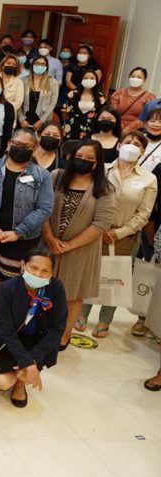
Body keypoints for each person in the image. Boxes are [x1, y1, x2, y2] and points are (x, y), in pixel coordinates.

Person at [0, 128, 54, 346]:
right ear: (8, 144)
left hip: (21, 240)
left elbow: (44, 208)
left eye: (27, 147)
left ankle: (1, 327)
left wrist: (18, 232)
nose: (20, 149)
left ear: (34, 149)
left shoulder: (42, 176)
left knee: (11, 287)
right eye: (17, 144)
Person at [76, 131, 156, 338]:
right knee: (89, 274)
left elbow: (144, 214)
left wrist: (119, 232)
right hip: (93, 231)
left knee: (114, 278)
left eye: (137, 144)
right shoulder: (101, 169)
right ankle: (82, 314)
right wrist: (97, 228)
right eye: (127, 142)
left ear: (143, 151)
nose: (131, 146)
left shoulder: (149, 178)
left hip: (123, 235)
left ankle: (104, 321)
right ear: (119, 146)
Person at [42, 140, 116, 348]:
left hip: (82, 251)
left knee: (72, 296)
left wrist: (69, 245)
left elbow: (101, 224)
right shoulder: (56, 177)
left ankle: (63, 336)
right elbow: (43, 208)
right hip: (49, 247)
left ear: (97, 163)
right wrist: (50, 238)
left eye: (90, 159)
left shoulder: (105, 189)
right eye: (79, 157)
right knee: (43, 292)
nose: (83, 162)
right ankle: (41, 330)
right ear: (71, 157)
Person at [0, 248, 67, 407]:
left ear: (52, 273)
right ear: (23, 265)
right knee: (2, 382)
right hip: (10, 340)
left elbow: (57, 328)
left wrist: (33, 359)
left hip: (38, 342)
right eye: (33, 268)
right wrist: (27, 363)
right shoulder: (6, 289)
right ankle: (18, 373)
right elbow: (5, 330)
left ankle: (20, 384)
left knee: (27, 373)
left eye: (44, 271)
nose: (38, 274)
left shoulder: (56, 288)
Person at [61, 70, 105, 141]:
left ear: (96, 81)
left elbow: (102, 114)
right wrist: (64, 127)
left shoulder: (100, 97)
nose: (89, 80)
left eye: (92, 78)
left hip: (91, 130)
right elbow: (64, 112)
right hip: (72, 129)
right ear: (81, 80)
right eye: (86, 78)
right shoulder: (73, 94)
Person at [20, 55, 59, 133]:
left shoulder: (52, 82)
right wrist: (21, 119)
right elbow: (18, 102)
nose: (40, 66)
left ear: (46, 67)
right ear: (32, 65)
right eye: (37, 63)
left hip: (43, 121)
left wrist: (41, 121)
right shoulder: (23, 80)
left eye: (43, 64)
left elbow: (53, 103)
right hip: (25, 120)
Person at [110, 67, 155, 133]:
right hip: (117, 128)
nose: (135, 79)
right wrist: (120, 127)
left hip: (137, 131)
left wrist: (128, 129)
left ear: (144, 79)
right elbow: (113, 113)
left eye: (139, 77)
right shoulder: (118, 94)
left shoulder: (150, 97)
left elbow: (147, 118)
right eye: (133, 76)